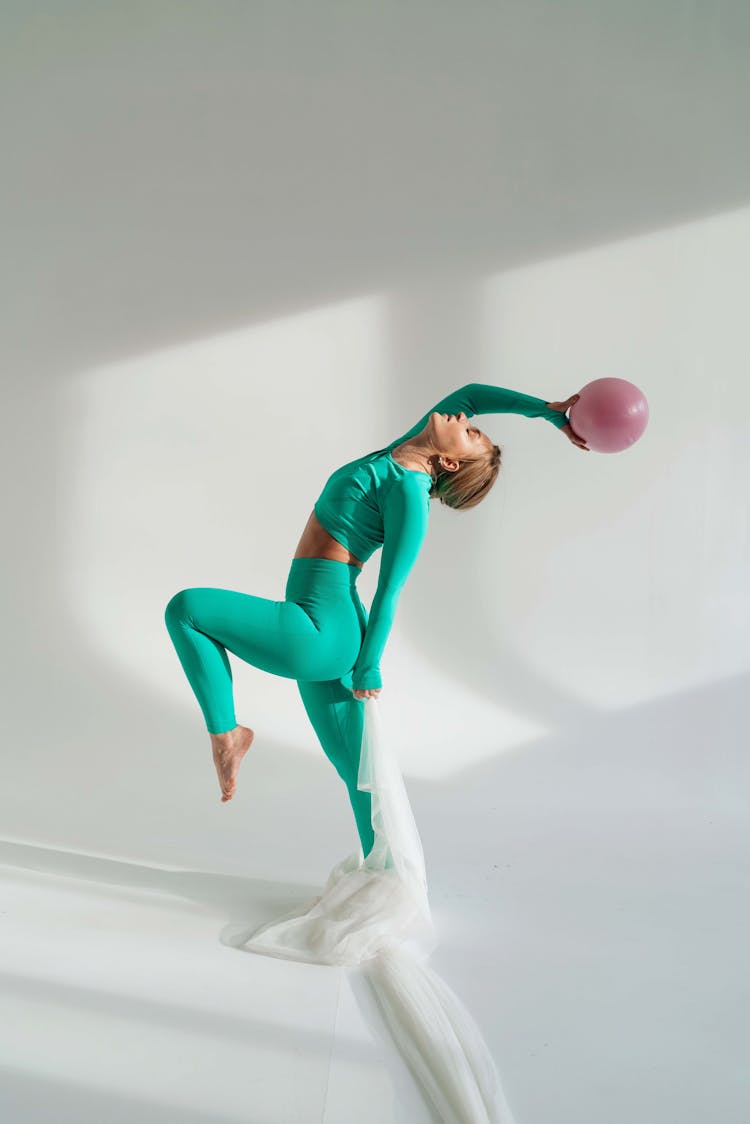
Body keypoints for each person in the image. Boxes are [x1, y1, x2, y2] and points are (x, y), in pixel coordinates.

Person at [164, 383, 588, 858]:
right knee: (357, 774)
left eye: (470, 434)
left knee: (187, 609)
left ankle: (227, 734)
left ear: (448, 463)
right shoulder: (404, 452)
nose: (462, 421)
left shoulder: (409, 494)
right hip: (328, 625)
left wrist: (369, 666)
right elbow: (469, 394)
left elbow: (390, 591)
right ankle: (381, 881)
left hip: (323, 631)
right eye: (472, 427)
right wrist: (550, 414)